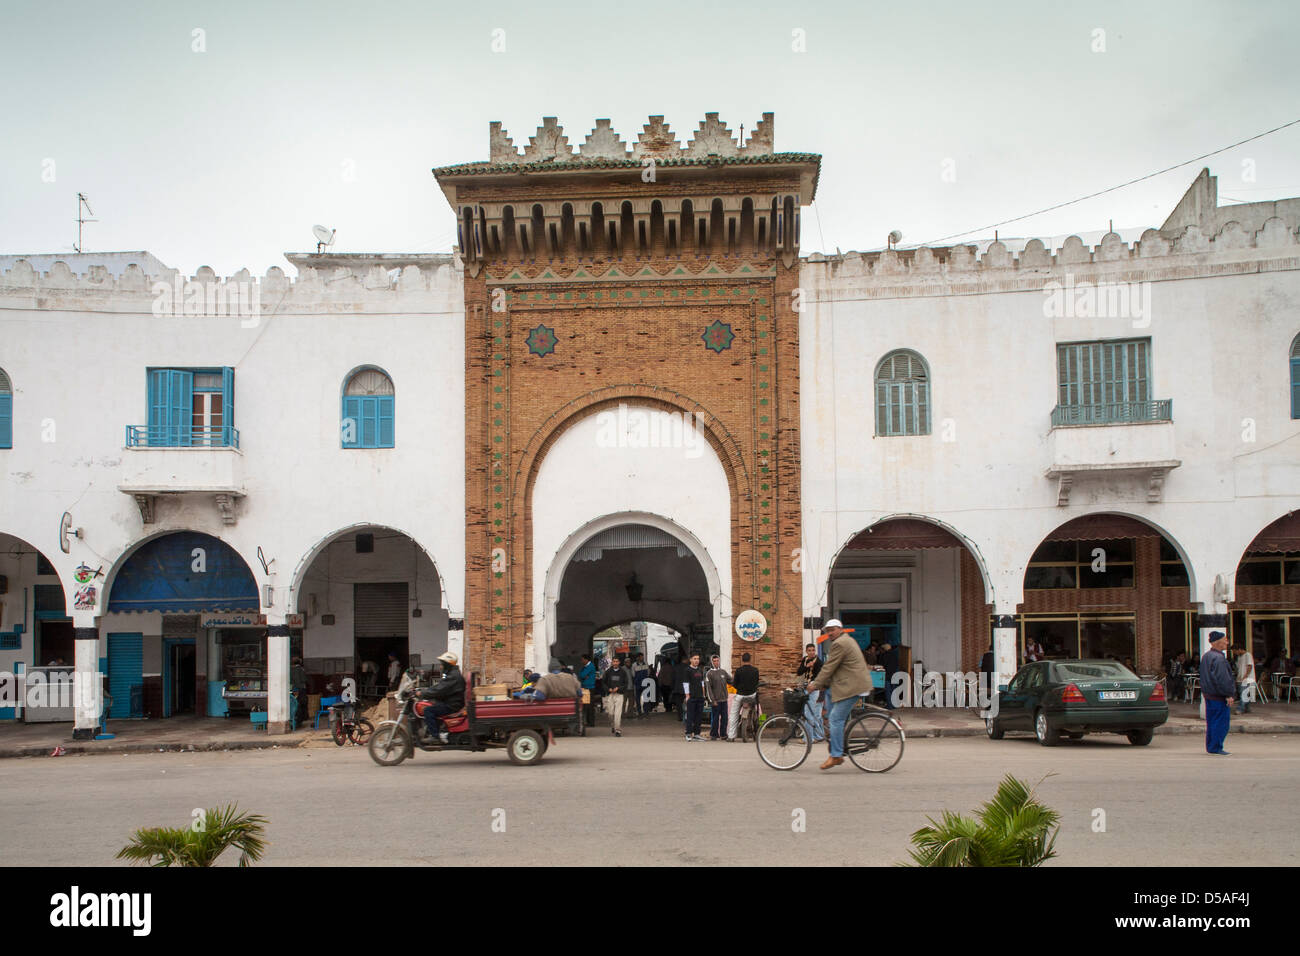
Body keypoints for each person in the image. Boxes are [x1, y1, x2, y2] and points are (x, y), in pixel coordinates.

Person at [807, 619, 873, 770]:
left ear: (840, 629)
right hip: (845, 683)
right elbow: (835, 668)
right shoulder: (845, 640)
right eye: (827, 630)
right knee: (830, 702)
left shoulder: (840, 643)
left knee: (835, 719)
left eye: (832, 630)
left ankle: (836, 755)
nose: (829, 633)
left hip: (852, 686)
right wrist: (823, 684)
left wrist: (815, 685)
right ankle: (835, 739)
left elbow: (829, 668)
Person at [1198, 631, 1235, 756]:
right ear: (1218, 642)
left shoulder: (1207, 656)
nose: (1227, 642)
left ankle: (1211, 746)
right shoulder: (1219, 658)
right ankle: (1216, 747)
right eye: (1225, 639)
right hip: (1218, 696)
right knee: (1221, 723)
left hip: (1209, 695)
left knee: (1212, 721)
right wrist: (1228, 694)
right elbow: (1222, 679)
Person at [419, 652, 466, 743]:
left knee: (428, 710)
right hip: (451, 702)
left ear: (447, 665)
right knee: (431, 704)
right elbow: (439, 686)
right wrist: (425, 690)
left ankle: (435, 736)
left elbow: (439, 689)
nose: (440, 667)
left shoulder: (453, 676)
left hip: (452, 705)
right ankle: (436, 730)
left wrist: (422, 693)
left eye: (442, 664)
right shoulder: (452, 674)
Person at [796, 643, 826, 742]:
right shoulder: (805, 660)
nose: (812, 652)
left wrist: (814, 685)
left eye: (813, 650)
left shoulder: (818, 662)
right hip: (807, 688)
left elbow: (821, 677)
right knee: (813, 714)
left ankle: (808, 738)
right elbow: (799, 672)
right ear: (806, 651)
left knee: (809, 714)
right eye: (810, 650)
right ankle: (817, 736)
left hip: (814, 689)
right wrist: (807, 666)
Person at [728, 652, 760, 740]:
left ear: (742, 660)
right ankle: (757, 729)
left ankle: (731, 736)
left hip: (740, 695)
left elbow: (734, 685)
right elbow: (756, 683)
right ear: (750, 659)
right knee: (756, 710)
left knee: (734, 714)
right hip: (751, 696)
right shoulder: (755, 670)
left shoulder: (738, 670)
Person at [514, 659, 581, 701]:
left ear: (549, 668)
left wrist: (528, 696)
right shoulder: (571, 677)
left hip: (552, 711)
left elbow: (540, 697)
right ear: (560, 668)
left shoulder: (545, 679)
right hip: (572, 709)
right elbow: (580, 694)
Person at [602, 655, 633, 736]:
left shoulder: (623, 672)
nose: (615, 663)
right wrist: (608, 689)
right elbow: (603, 683)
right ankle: (613, 725)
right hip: (610, 695)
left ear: (619, 662)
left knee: (618, 713)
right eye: (614, 661)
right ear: (612, 662)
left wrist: (618, 688)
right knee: (610, 713)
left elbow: (626, 684)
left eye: (617, 661)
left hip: (619, 694)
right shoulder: (608, 672)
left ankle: (617, 730)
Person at [704, 654, 732, 740]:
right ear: (711, 662)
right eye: (714, 661)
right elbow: (708, 689)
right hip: (716, 701)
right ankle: (714, 734)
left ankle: (723, 734)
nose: (716, 662)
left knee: (725, 718)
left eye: (717, 661)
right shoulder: (709, 673)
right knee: (715, 719)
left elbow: (731, 681)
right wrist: (712, 700)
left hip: (724, 700)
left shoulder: (723, 672)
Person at [680, 653, 706, 741]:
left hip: (700, 696)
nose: (696, 660)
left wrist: (703, 694)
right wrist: (687, 696)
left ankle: (697, 734)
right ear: (690, 660)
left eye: (698, 659)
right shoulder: (687, 670)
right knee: (690, 716)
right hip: (691, 696)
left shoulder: (699, 670)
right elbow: (685, 684)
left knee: (698, 717)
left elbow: (702, 683)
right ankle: (688, 733)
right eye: (694, 659)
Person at [1234, 646, 1258, 715]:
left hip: (1247, 679)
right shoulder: (1239, 657)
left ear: (1239, 649)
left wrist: (1245, 676)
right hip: (1240, 678)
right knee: (1244, 693)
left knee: (1243, 693)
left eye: (1235, 651)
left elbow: (1249, 666)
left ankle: (1240, 709)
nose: (1235, 653)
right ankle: (1247, 708)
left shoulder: (1248, 655)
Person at [878, 641, 901, 709]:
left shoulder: (884, 655)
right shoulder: (894, 655)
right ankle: (895, 705)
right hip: (895, 675)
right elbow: (897, 664)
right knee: (894, 691)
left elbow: (882, 665)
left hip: (887, 675)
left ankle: (890, 706)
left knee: (888, 691)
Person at [578, 653, 597, 727]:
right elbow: (581, 675)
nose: (581, 661)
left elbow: (582, 675)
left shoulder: (590, 666)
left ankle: (591, 722)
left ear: (586, 660)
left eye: (582, 659)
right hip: (586, 687)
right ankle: (589, 721)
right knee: (586, 706)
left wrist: (584, 676)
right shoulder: (586, 667)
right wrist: (584, 676)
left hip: (589, 688)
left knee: (590, 706)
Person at [290, 656, 308, 723]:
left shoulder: (289, 669)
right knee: (302, 703)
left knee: (294, 704)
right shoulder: (301, 669)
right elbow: (304, 679)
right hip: (301, 688)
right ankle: (302, 718)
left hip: (292, 688)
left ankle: (294, 718)